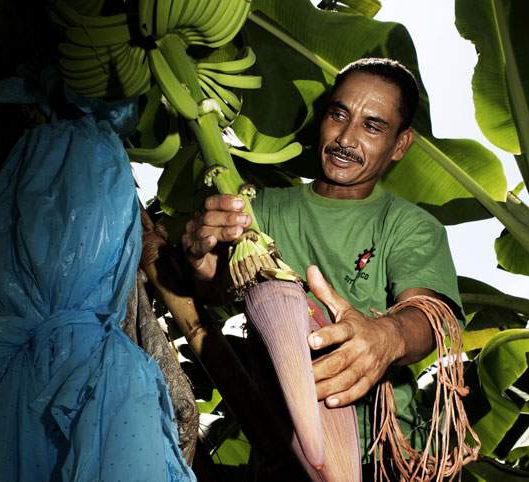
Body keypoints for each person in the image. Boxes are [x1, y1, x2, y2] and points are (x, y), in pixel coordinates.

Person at [183, 58, 463, 465]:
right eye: (339, 115)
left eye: (372, 126)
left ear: (400, 144)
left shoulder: (410, 226)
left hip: (386, 455)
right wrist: (201, 261)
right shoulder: (260, 209)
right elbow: (218, 285)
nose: (347, 138)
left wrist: (387, 337)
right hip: (281, 450)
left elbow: (429, 313)